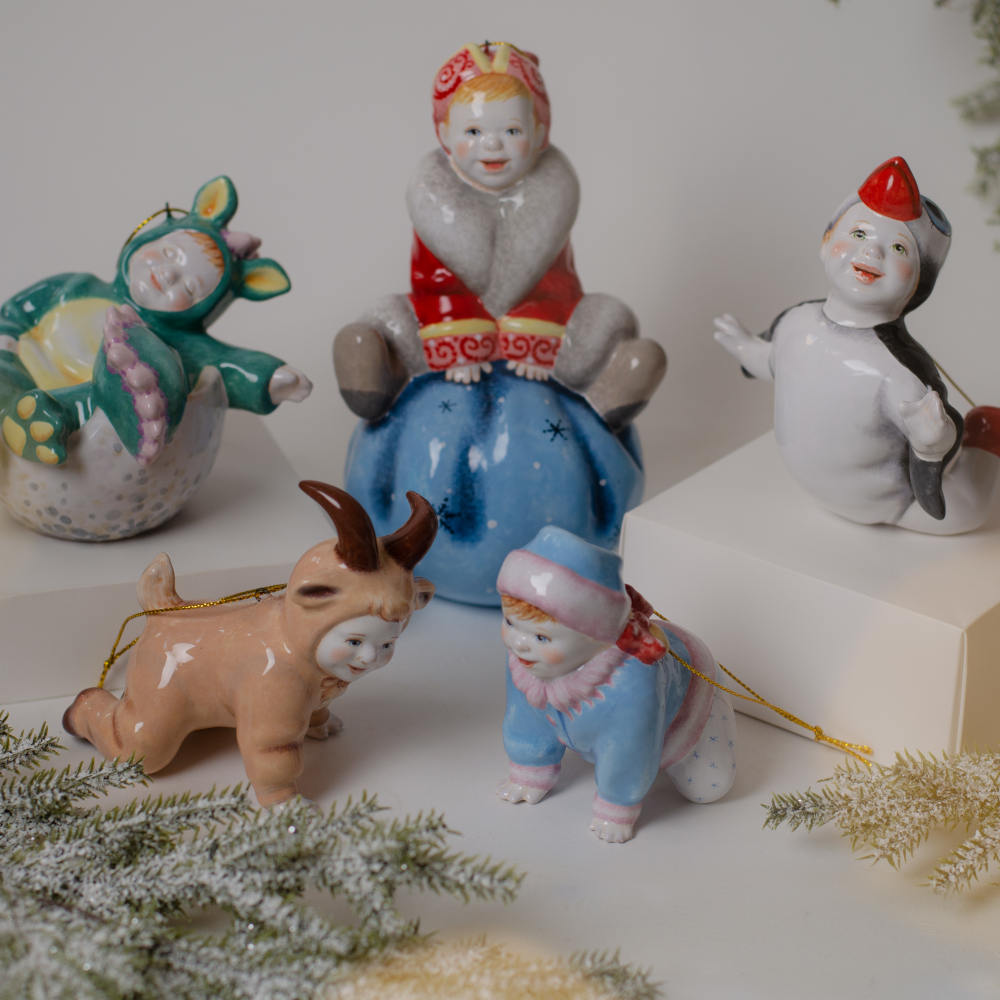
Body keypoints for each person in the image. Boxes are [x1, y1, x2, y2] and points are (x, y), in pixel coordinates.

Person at [336, 42, 663, 604]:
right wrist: (459, 346)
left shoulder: (550, 196)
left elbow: (556, 285)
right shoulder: (435, 199)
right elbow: (434, 283)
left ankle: (609, 397)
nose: (493, 146)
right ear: (444, 137)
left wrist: (534, 343)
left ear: (540, 133)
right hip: (441, 331)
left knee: (611, 318)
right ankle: (373, 377)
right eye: (474, 132)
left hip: (542, 337)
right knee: (388, 316)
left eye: (511, 131)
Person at [714, 156, 1000, 534]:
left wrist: (933, 441)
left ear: (919, 284)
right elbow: (772, 360)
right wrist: (746, 348)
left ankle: (988, 437)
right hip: (811, 487)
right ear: (826, 242)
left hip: (890, 503)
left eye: (898, 248)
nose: (872, 253)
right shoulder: (796, 322)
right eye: (860, 235)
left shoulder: (897, 372)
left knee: (966, 512)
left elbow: (933, 440)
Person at [495, 526, 736, 843]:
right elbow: (524, 717)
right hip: (587, 725)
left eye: (541, 637)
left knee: (708, 787)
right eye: (510, 623)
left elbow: (630, 747)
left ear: (594, 637)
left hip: (690, 700)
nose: (519, 643)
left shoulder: (630, 681)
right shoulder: (527, 661)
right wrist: (529, 766)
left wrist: (617, 805)